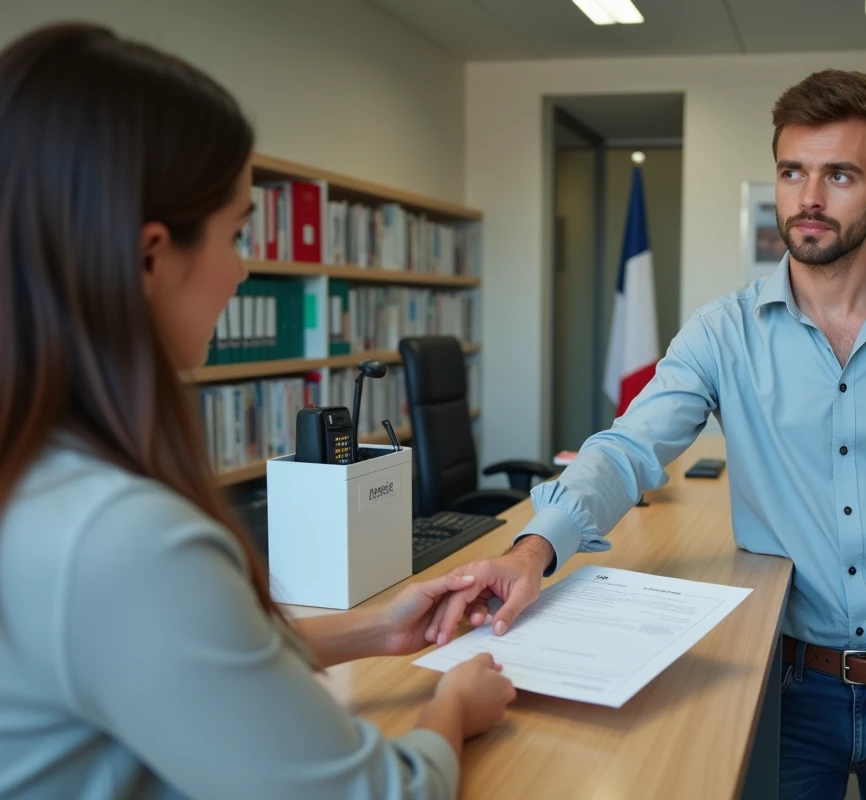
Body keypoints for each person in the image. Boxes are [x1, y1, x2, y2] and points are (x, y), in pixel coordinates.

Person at [426, 69, 866, 798]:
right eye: (792, 172)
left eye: (840, 175)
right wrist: (533, 548)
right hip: (787, 684)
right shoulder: (724, 333)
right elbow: (628, 449)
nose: (810, 198)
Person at [0, 22, 514, 800]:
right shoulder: (120, 536)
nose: (244, 271)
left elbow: (168, 664)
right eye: (238, 234)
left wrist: (375, 629)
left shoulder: (41, 478)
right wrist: (452, 706)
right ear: (146, 256)